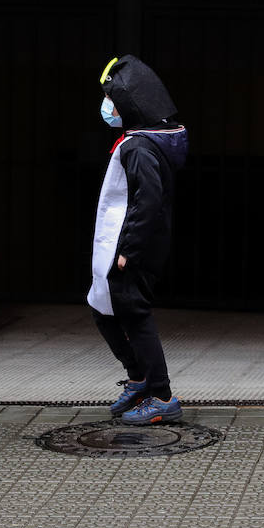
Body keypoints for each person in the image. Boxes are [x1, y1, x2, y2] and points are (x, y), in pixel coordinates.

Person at [88, 55, 189, 425]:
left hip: (131, 250)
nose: (107, 108)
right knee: (104, 308)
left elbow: (147, 201)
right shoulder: (142, 141)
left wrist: (129, 250)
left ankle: (160, 395)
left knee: (133, 315)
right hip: (128, 247)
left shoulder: (140, 148)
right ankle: (139, 378)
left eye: (111, 100)